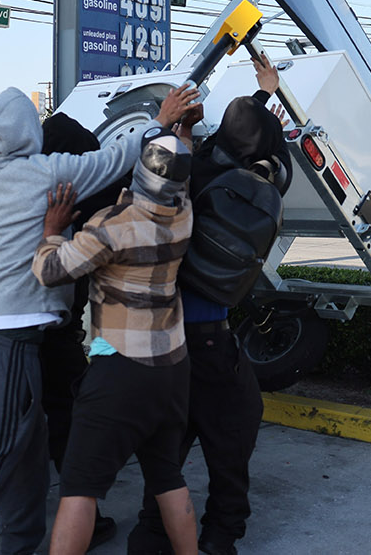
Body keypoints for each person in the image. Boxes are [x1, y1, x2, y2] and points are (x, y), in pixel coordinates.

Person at [0, 85, 199, 555]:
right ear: (28, 132)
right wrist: (162, 122)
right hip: (10, 337)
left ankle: (20, 544)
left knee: (27, 455)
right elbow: (116, 156)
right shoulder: (49, 173)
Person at [130, 54, 291, 555]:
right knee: (235, 428)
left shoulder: (189, 171)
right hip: (206, 337)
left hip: (159, 336)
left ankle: (151, 534)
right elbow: (261, 148)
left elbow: (220, 142)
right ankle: (221, 536)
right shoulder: (254, 189)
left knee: (168, 444)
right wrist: (270, 97)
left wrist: (177, 126)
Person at [36, 126, 199, 555]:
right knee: (167, 477)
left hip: (120, 368)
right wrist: (182, 135)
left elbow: (51, 271)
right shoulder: (184, 212)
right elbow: (178, 176)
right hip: (172, 366)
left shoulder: (112, 227)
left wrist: (53, 231)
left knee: (79, 487)